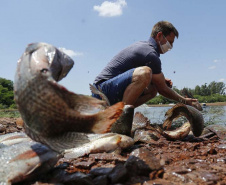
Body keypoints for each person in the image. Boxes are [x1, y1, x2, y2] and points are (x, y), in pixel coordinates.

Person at [92, 21, 198, 108]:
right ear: (160, 35)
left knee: (153, 89)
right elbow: (163, 89)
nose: (171, 46)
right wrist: (184, 101)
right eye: (170, 42)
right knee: (145, 73)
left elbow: (158, 86)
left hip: (112, 90)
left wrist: (159, 80)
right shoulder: (150, 53)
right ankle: (121, 118)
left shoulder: (146, 47)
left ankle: (119, 112)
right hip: (101, 92)